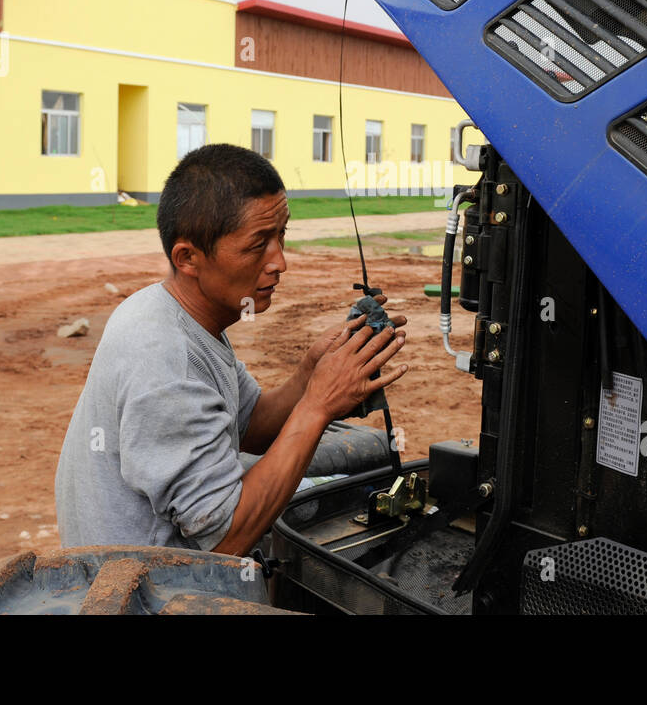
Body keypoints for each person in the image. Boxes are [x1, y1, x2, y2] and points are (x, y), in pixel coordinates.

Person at [54, 143, 408, 556]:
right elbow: (226, 538)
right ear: (188, 257)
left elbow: (248, 425)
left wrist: (310, 372)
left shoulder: (176, 314)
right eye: (259, 244)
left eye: (281, 235)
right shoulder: (166, 361)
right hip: (149, 593)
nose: (280, 262)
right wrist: (319, 405)